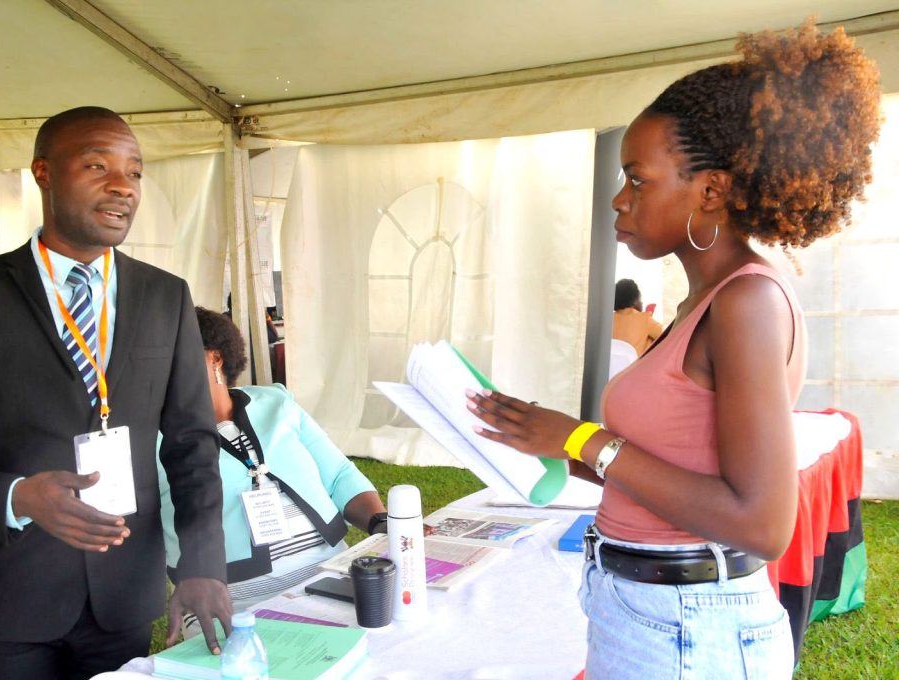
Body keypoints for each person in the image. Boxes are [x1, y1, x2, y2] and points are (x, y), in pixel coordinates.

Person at [466, 21, 879, 678]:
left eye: (637, 180)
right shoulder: (703, 304)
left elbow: (763, 522)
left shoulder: (745, 304)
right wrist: (545, 440)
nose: (618, 200)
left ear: (709, 191)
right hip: (648, 612)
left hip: (690, 629)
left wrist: (582, 440)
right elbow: (668, 469)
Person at [0, 106, 233, 679]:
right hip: (8, 598)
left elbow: (191, 443)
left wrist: (203, 565)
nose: (121, 187)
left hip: (124, 598)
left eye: (134, 172)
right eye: (97, 165)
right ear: (44, 173)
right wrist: (17, 497)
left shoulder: (165, 296)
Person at [159, 307, 387, 623]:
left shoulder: (276, 402)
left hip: (330, 577)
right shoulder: (151, 438)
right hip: (230, 606)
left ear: (215, 358)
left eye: (170, 351)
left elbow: (338, 475)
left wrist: (382, 523)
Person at [612, 278, 663, 356]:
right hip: (638, 366)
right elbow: (667, 335)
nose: (642, 302)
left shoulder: (609, 319)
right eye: (640, 298)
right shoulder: (644, 319)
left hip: (613, 367)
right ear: (634, 300)